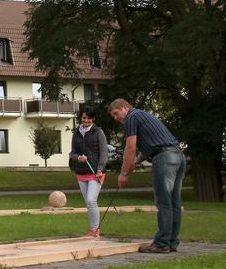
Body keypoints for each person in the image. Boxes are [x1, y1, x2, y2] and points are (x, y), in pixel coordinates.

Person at [108, 98, 186, 253]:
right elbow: (150, 144)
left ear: (124, 107)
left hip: (164, 159)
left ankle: (161, 244)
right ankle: (171, 242)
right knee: (174, 202)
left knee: (164, 202)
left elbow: (130, 147)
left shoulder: (131, 118)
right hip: (178, 156)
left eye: (116, 114)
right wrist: (136, 162)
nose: (116, 118)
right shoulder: (142, 116)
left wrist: (123, 174)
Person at [69, 106, 108, 238]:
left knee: (91, 200)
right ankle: (92, 230)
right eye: (84, 118)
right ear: (81, 118)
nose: (86, 120)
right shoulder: (76, 133)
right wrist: (78, 158)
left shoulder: (99, 132)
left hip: (96, 172)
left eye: (89, 118)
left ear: (93, 119)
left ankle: (96, 231)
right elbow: (72, 153)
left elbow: (104, 153)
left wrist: (100, 169)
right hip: (81, 172)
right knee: (88, 203)